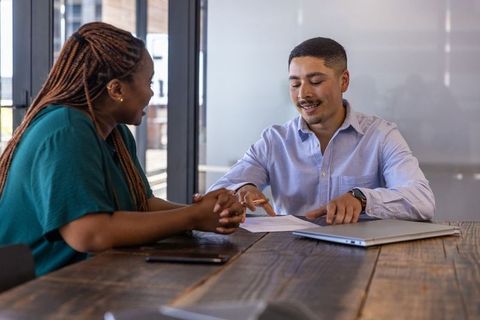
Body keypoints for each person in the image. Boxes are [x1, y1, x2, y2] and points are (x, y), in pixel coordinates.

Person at [0, 22, 243, 276]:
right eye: (148, 82)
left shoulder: (115, 133)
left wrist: (210, 212)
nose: (151, 93)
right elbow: (90, 234)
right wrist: (193, 217)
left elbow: (142, 204)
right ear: (116, 89)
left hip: (82, 282)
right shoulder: (67, 129)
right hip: (29, 296)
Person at [208, 37, 435, 225]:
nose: (303, 94)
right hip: (286, 260)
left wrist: (362, 198)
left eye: (315, 81)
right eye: (295, 84)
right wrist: (243, 188)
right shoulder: (274, 141)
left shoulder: (381, 135)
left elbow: (422, 200)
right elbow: (217, 191)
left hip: (364, 263)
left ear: (343, 81)